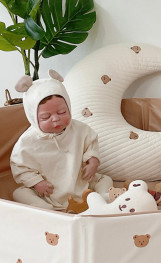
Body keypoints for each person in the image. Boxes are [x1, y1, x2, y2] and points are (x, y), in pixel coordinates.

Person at [10, 70, 113, 211]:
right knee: (19, 192)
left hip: (80, 181)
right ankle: (45, 208)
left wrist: (93, 161)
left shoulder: (80, 129)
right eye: (46, 117)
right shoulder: (27, 142)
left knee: (105, 179)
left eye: (62, 112)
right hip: (48, 191)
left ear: (69, 107)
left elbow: (91, 144)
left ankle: (101, 199)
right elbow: (20, 166)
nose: (55, 119)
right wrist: (37, 183)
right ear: (32, 116)